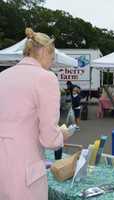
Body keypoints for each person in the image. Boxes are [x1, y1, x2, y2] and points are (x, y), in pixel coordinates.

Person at [0, 28, 70, 200]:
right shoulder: (46, 78)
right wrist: (62, 135)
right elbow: (49, 139)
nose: (52, 63)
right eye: (52, 58)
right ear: (46, 51)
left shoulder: (3, 76)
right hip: (25, 169)